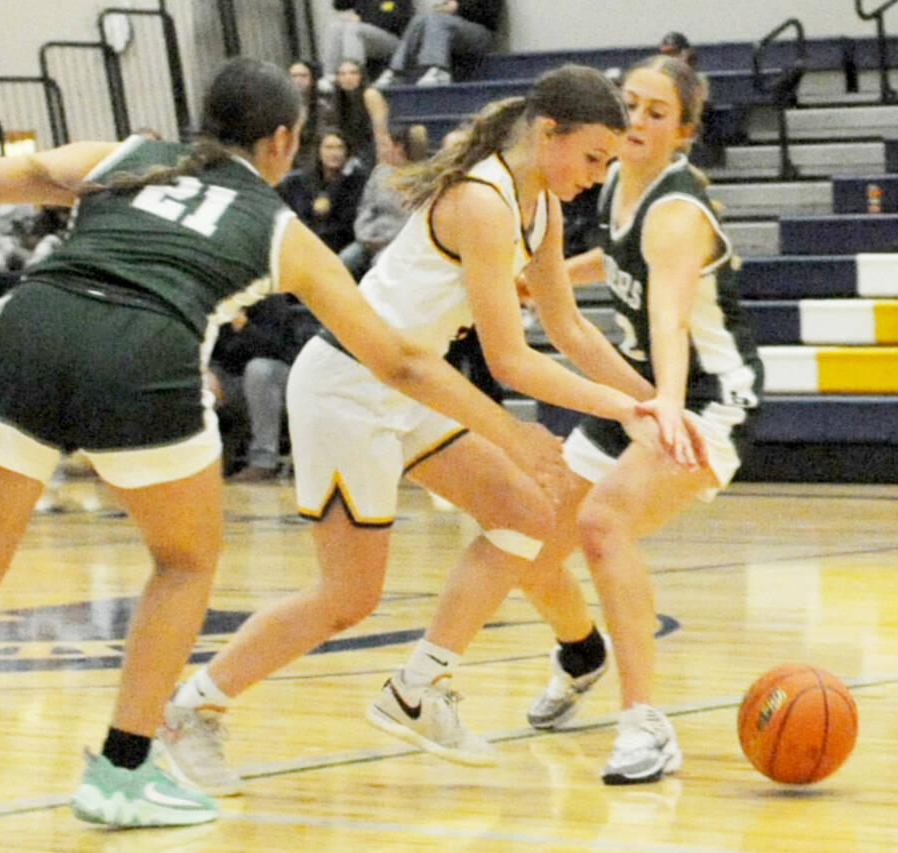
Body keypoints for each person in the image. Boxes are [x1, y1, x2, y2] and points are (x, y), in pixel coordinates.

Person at [0, 56, 567, 829]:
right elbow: (395, 356)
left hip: (31, 327)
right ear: (283, 142)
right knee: (181, 563)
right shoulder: (280, 227)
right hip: (141, 351)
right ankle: (121, 767)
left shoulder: (131, 154)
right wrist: (510, 433)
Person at [161, 64, 698, 795]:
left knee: (526, 515)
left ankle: (417, 688)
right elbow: (509, 361)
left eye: (610, 161)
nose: (599, 174)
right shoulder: (483, 201)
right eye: (594, 156)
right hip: (350, 385)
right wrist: (611, 414)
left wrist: (660, 402)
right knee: (347, 596)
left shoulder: (537, 204)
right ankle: (192, 711)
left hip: (410, 383)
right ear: (548, 134)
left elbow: (569, 327)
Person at [510, 54, 761, 786]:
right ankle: (580, 649)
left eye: (658, 113)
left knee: (602, 523)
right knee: (527, 541)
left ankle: (645, 724)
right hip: (640, 386)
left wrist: (669, 410)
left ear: (683, 132)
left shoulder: (678, 214)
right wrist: (547, 280)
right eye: (632, 105)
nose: (640, 121)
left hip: (707, 395)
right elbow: (615, 260)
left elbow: (669, 319)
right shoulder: (617, 176)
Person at [208, 293, 302, 481]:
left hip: (278, 379)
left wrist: (245, 327)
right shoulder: (217, 301)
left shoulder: (272, 300)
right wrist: (207, 370)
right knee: (199, 380)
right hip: (233, 379)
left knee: (258, 370)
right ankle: (202, 464)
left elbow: (280, 350)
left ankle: (264, 462)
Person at [338, 122, 429, 279]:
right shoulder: (380, 173)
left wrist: (384, 240)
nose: (382, 150)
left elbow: (410, 220)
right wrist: (364, 235)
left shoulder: (422, 179)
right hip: (369, 238)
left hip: (397, 241)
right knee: (343, 261)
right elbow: (365, 208)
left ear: (398, 148)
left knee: (379, 265)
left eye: (386, 146)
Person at [374, 0, 502, 88]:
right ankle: (396, 71)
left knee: (437, 19)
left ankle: (439, 70)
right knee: (419, 19)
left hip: (482, 34)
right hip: (457, 30)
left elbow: (489, 14)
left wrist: (459, 7)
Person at [279, 129, 369, 253]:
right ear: (319, 151)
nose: (334, 153)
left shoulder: (357, 181)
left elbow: (347, 222)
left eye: (339, 148)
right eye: (329, 148)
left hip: (341, 243)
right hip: (306, 241)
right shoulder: (303, 180)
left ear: (347, 152)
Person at [320, 0, 414, 92]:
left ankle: (354, 71)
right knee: (335, 27)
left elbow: (394, 20)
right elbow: (339, 4)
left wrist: (362, 19)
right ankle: (330, 76)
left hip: (395, 42)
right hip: (367, 37)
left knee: (353, 28)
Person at [318, 59, 394, 169]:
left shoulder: (370, 95)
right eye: (343, 74)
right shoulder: (339, 100)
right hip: (352, 152)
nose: (348, 77)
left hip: (372, 150)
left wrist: (382, 164)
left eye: (353, 73)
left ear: (361, 76)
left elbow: (382, 134)